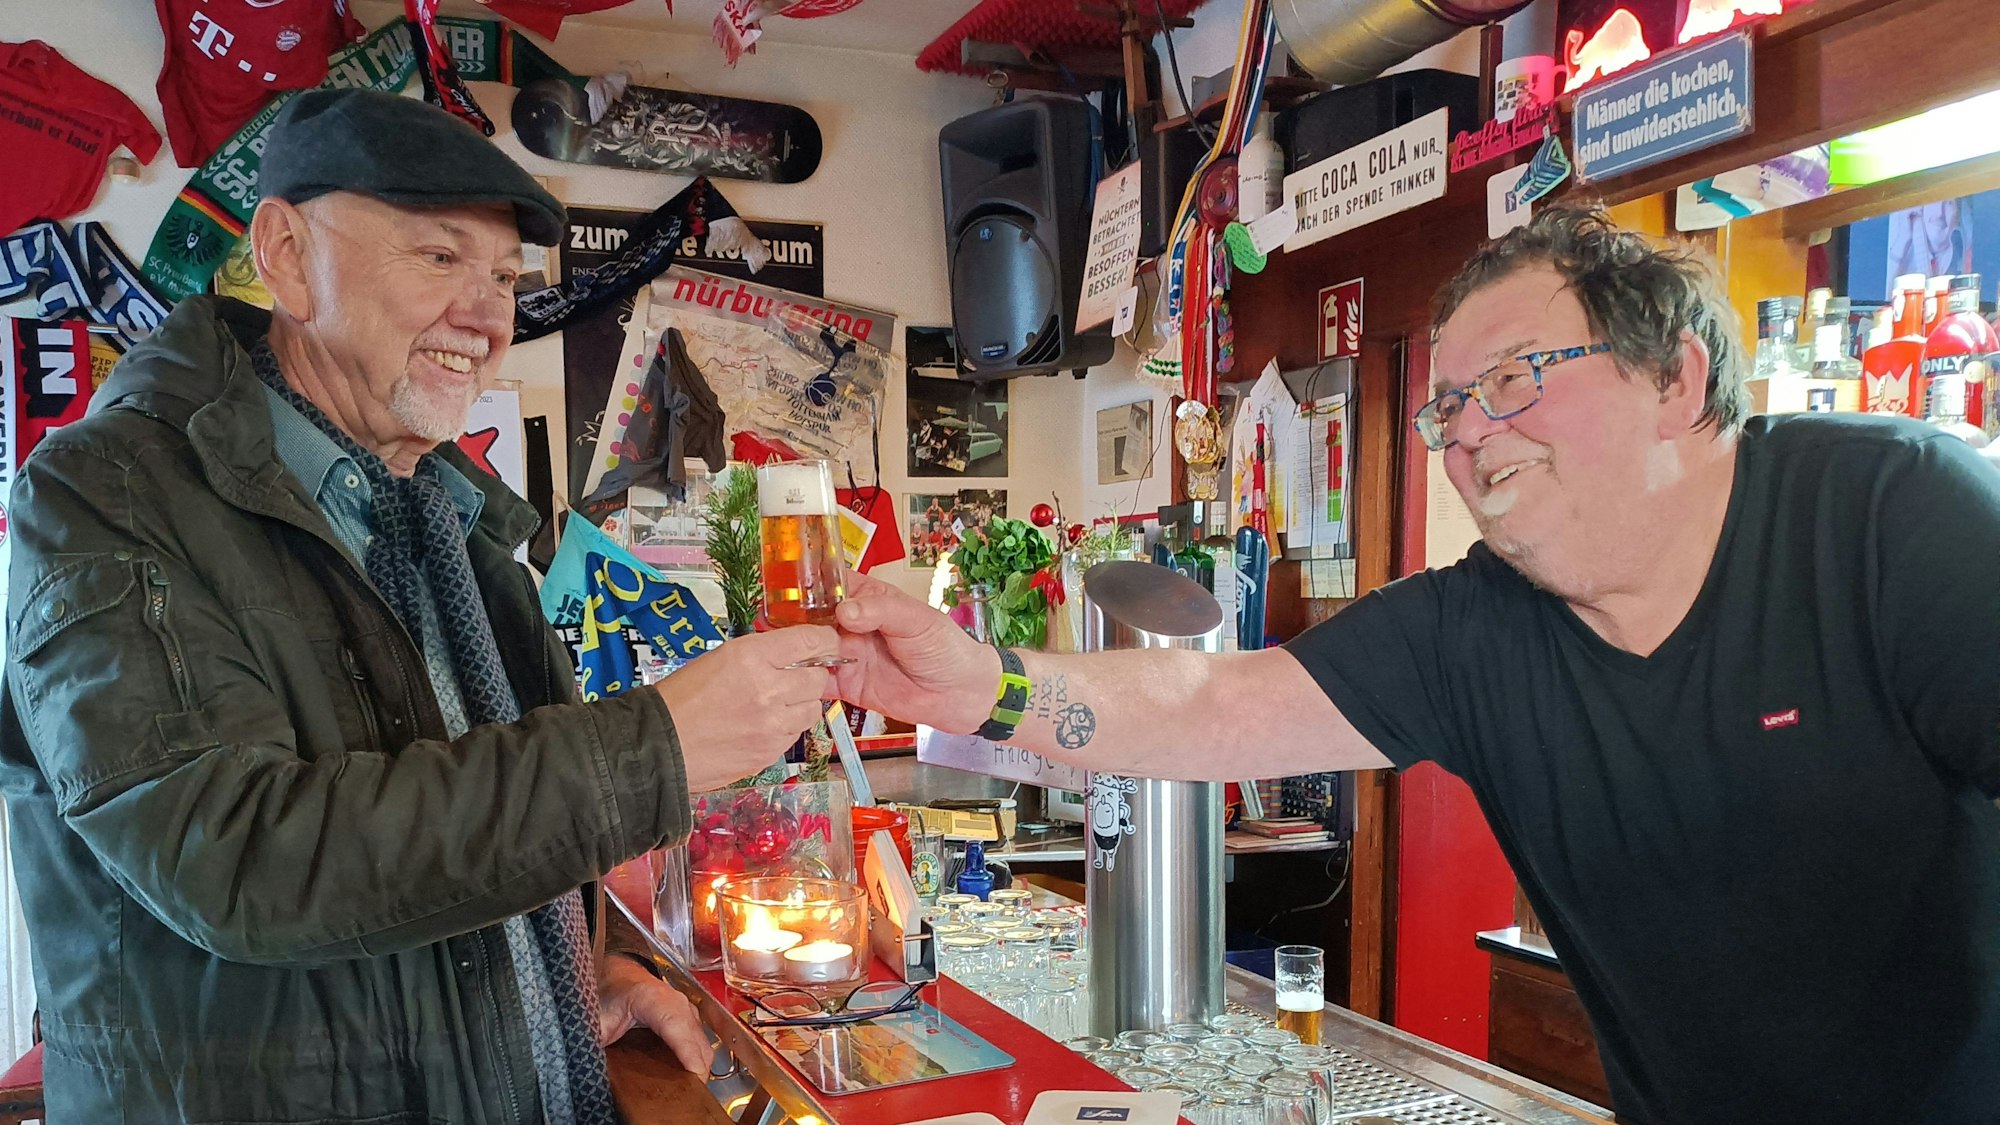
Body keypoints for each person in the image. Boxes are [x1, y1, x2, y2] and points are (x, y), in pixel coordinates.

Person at [830, 206, 2000, 1124]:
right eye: (1446, 410)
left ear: (1675, 382)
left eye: (1509, 382)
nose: (1468, 433)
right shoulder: (1473, 627)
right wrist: (985, 689)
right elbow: (1215, 702)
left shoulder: (1887, 521)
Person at [0, 89, 838, 1123]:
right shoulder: (109, 492)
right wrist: (655, 747)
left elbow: (475, 838)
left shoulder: (452, 520)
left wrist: (575, 976)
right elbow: (239, 861)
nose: (486, 316)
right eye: (439, 259)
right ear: (287, 253)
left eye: (501, 277)